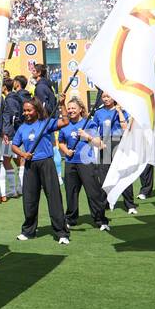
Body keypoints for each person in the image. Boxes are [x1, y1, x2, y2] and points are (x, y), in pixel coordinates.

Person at [10, 99, 70, 244]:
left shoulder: (46, 123)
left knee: (54, 197)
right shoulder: (22, 128)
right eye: (24, 110)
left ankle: (61, 232)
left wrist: (62, 104)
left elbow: (65, 122)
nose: (26, 113)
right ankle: (28, 231)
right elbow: (14, 146)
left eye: (29, 110)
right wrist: (23, 154)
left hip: (46, 163)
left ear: (37, 110)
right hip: (30, 165)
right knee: (29, 199)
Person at [58, 97, 110, 231]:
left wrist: (87, 136)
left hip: (86, 163)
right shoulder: (65, 124)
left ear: (81, 109)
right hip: (70, 163)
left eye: (73, 108)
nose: (70, 110)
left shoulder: (89, 123)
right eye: (69, 108)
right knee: (71, 193)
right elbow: (61, 142)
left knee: (93, 193)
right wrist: (66, 151)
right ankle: (71, 219)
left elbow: (99, 144)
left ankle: (100, 220)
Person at [91, 91, 138, 214]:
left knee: (123, 173)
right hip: (104, 144)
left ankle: (130, 204)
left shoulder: (121, 110)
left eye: (108, 96)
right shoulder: (98, 112)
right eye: (104, 97)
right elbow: (94, 129)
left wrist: (119, 111)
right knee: (104, 175)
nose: (106, 99)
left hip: (120, 143)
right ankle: (105, 203)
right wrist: (98, 141)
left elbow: (125, 128)